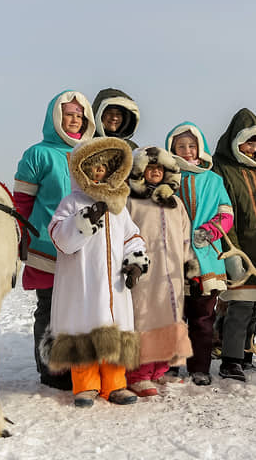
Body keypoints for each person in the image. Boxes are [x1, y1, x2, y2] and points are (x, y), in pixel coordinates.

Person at [42, 136, 149, 407]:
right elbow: (61, 239)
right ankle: (86, 386)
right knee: (84, 332)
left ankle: (115, 385)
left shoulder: (118, 206)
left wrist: (135, 262)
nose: (99, 171)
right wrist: (83, 221)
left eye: (104, 166)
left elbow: (132, 237)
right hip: (83, 283)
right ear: (82, 169)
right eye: (93, 165)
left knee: (114, 335)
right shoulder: (71, 202)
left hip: (114, 284)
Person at [13, 90, 96, 390]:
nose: (74, 120)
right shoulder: (38, 154)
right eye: (68, 115)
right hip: (46, 247)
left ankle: (78, 366)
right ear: (55, 118)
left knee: (79, 310)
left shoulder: (92, 152)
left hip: (85, 247)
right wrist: (20, 237)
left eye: (79, 115)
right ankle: (50, 368)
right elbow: (22, 203)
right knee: (49, 309)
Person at [211, 108, 256, 382]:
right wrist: (231, 252)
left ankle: (244, 356)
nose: (253, 147)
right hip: (238, 247)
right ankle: (230, 360)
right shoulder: (222, 168)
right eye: (248, 141)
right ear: (235, 140)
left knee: (254, 306)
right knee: (240, 306)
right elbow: (222, 209)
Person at [165, 122, 234, 386]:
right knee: (172, 316)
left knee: (203, 318)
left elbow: (226, 214)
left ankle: (199, 367)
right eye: (180, 146)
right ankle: (170, 364)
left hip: (206, 258)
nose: (186, 151)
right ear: (172, 148)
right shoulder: (167, 176)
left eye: (191, 146)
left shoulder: (214, 179)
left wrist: (210, 231)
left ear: (200, 147)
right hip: (172, 258)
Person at [124, 146, 195, 396]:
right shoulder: (131, 201)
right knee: (144, 318)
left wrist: (188, 263)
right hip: (144, 273)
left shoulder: (175, 203)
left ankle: (159, 371)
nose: (155, 172)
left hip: (172, 271)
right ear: (140, 171)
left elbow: (185, 235)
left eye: (159, 168)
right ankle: (138, 374)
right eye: (150, 168)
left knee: (169, 318)